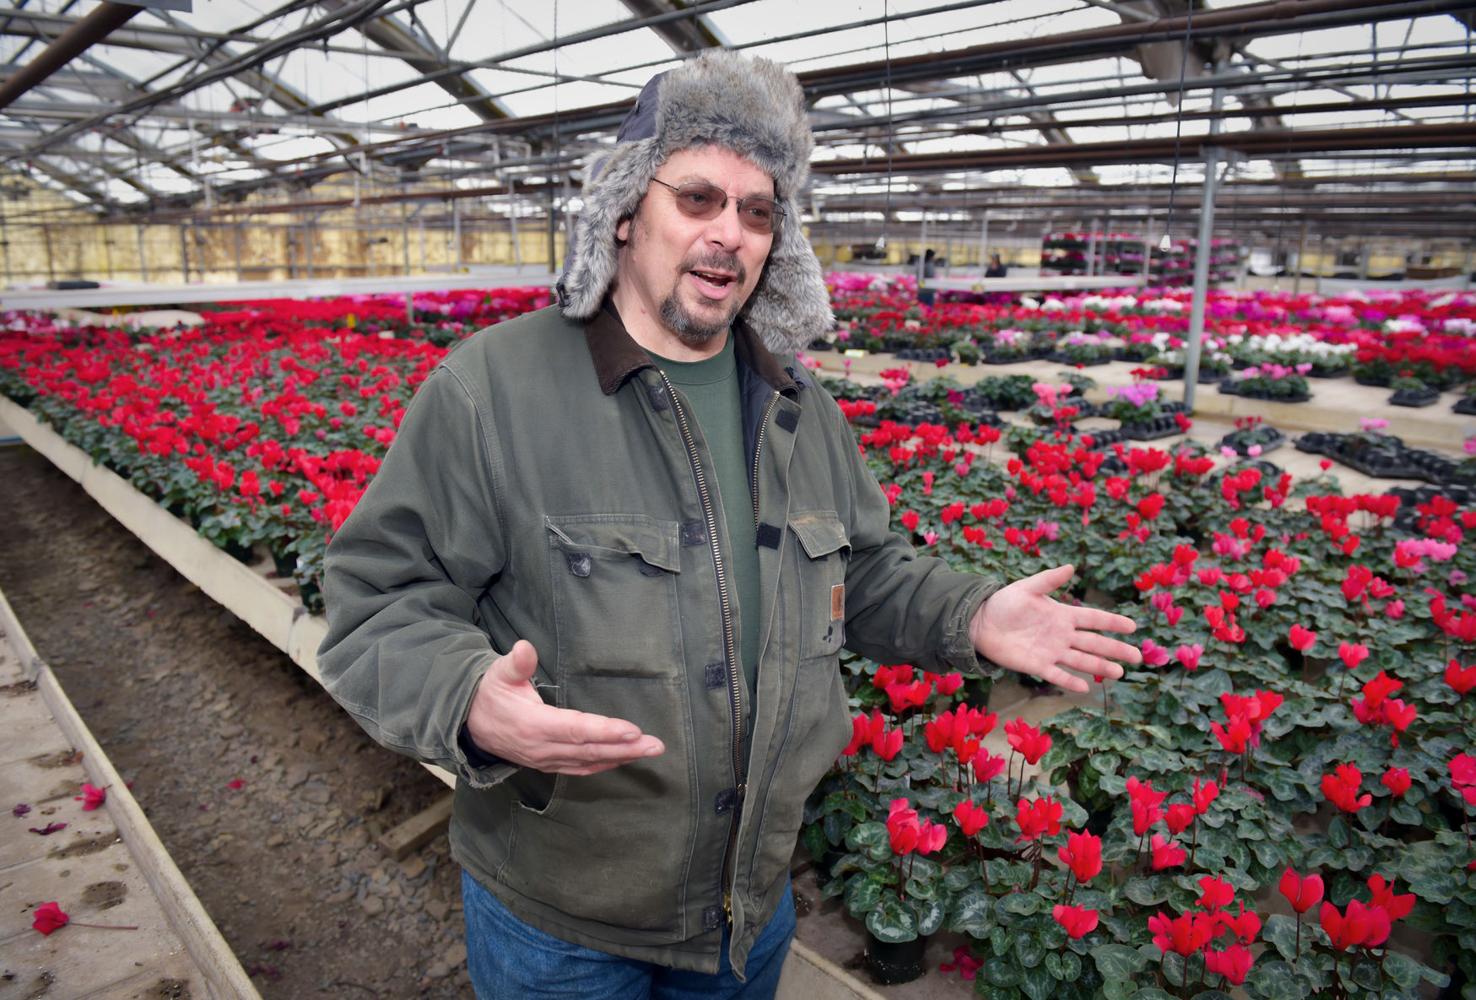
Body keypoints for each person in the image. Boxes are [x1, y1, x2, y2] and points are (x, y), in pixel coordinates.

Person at [316, 50, 1140, 999]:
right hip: (566, 925)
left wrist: (973, 618)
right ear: (626, 213)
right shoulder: (492, 389)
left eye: (757, 212)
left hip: (749, 909)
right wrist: (467, 701)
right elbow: (378, 601)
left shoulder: (798, 405)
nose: (728, 233)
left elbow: (860, 574)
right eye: (698, 199)